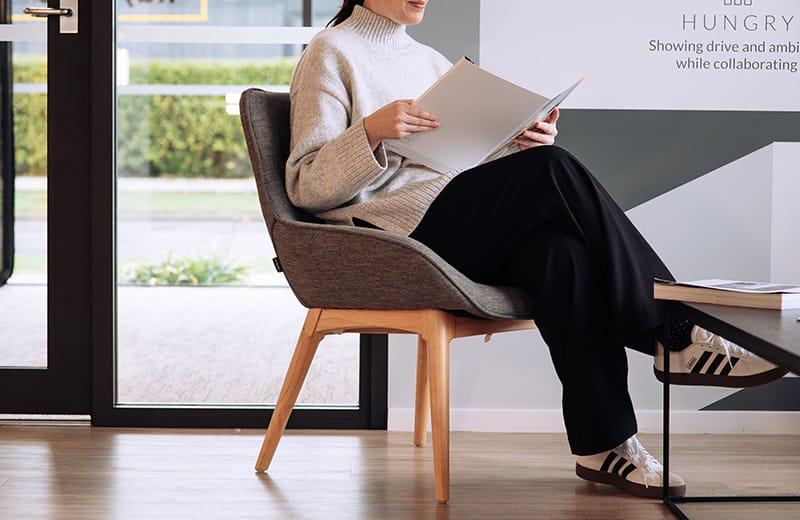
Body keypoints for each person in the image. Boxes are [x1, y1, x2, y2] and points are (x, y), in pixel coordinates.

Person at [285, 0, 787, 499]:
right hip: (398, 235)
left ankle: (604, 444)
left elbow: (459, 164)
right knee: (554, 169)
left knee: (562, 255)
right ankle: (674, 332)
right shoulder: (330, 51)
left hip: (455, 220)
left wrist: (519, 144)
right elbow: (305, 187)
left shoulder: (430, 61)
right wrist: (370, 132)